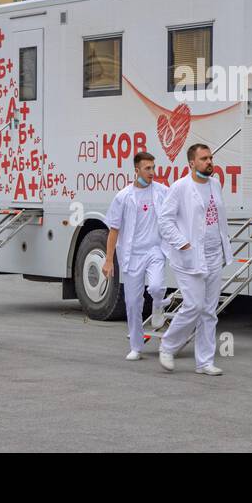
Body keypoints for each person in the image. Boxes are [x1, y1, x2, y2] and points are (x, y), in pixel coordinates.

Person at [156, 143, 232, 376]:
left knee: (209, 311)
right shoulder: (180, 187)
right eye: (204, 159)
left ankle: (204, 362)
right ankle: (168, 346)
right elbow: (164, 220)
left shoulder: (215, 184)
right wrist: (182, 242)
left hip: (213, 253)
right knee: (194, 305)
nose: (209, 162)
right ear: (191, 163)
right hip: (188, 256)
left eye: (211, 158)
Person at [103, 152, 171, 361]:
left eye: (153, 167)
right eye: (147, 168)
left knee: (157, 287)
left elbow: (176, 214)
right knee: (132, 303)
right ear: (137, 170)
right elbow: (114, 230)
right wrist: (108, 259)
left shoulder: (162, 192)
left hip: (155, 251)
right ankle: (136, 346)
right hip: (132, 255)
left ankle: (159, 304)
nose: (152, 172)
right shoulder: (123, 197)